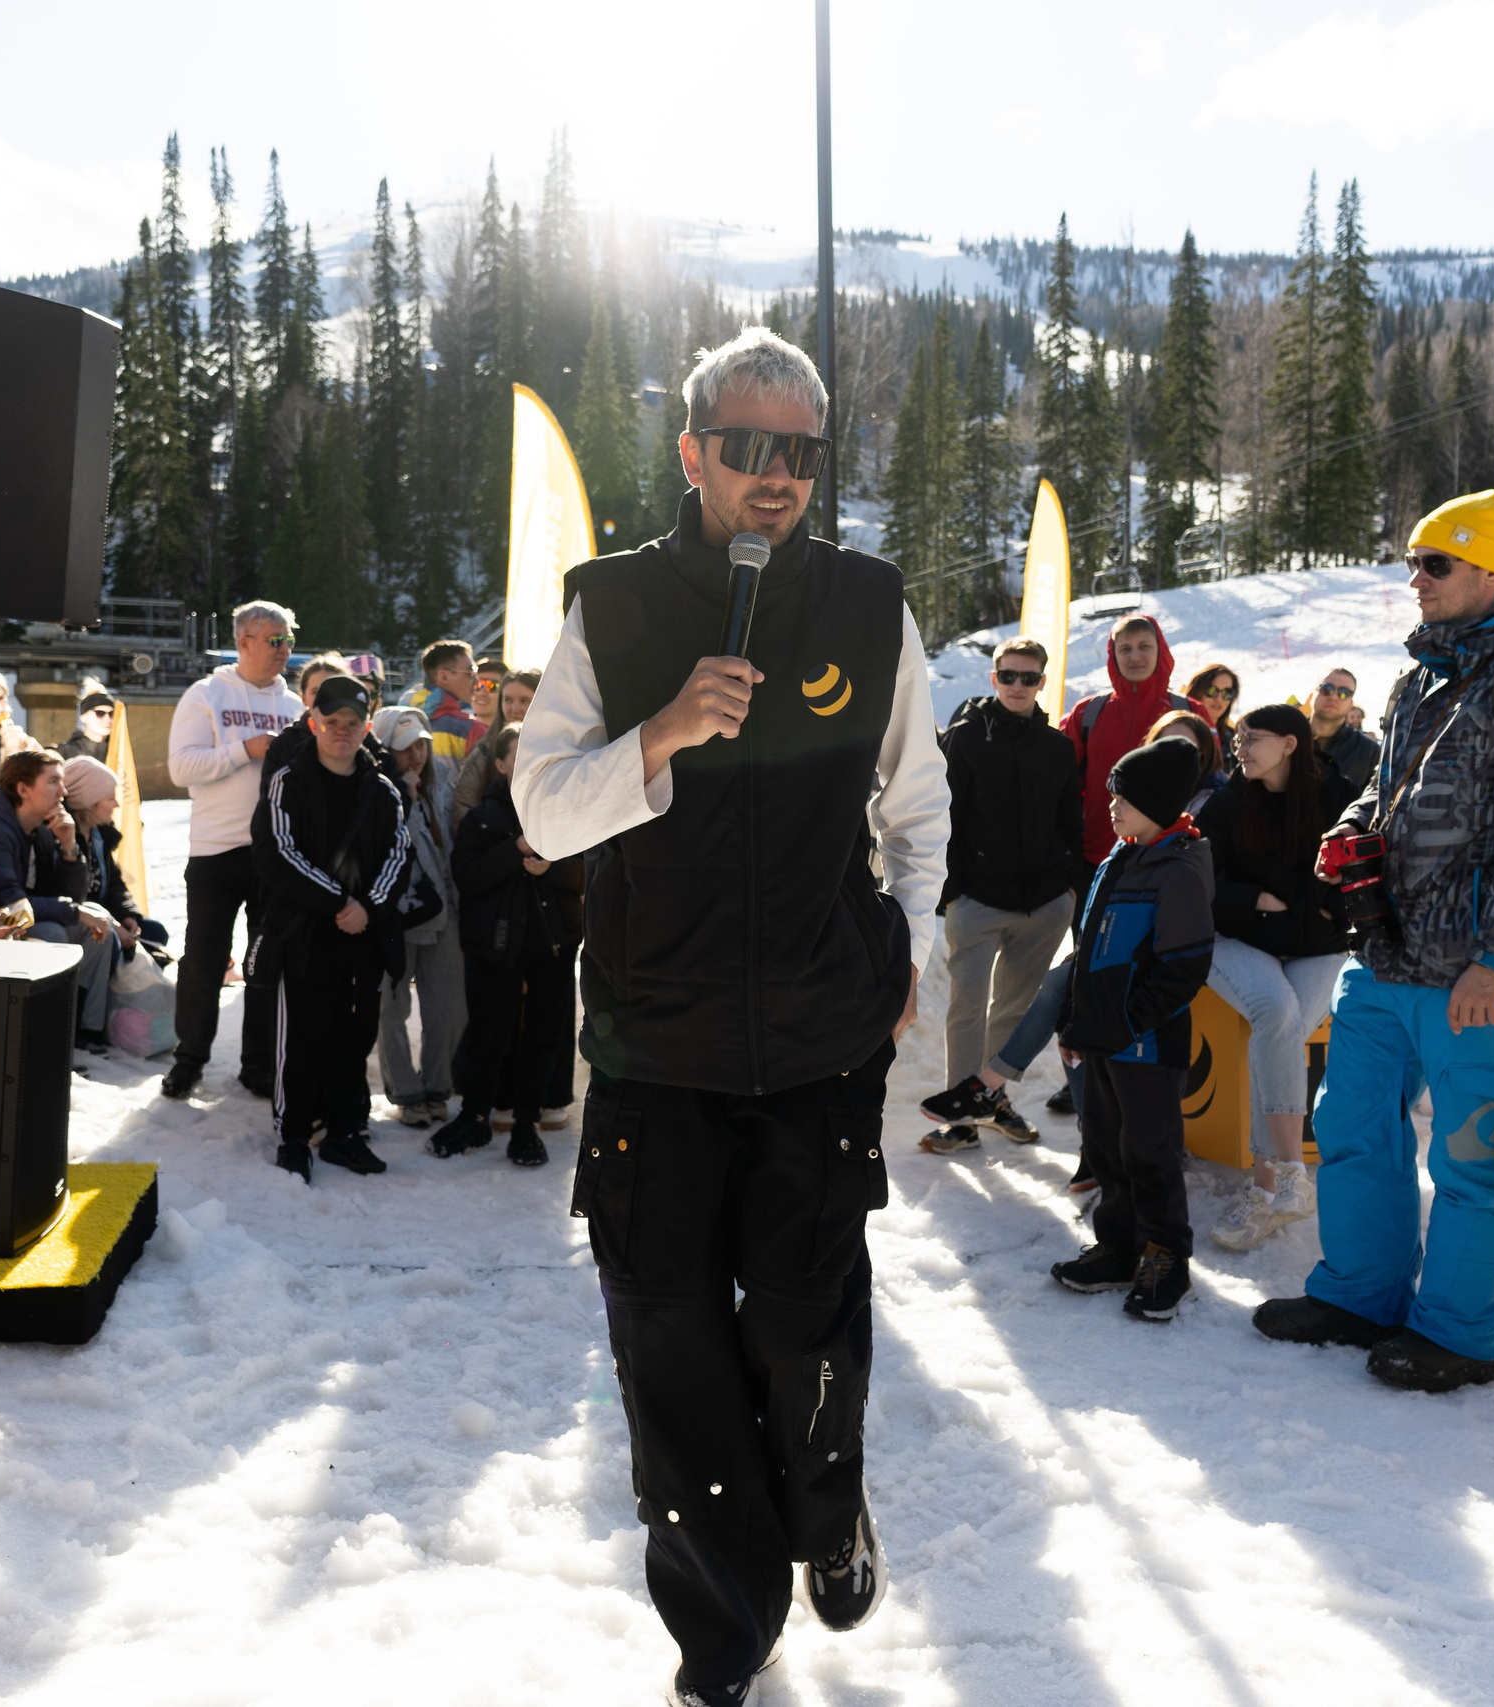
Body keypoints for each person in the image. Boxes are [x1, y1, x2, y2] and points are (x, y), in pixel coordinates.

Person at [515, 325, 946, 1707]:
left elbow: (917, 808)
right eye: (748, 447)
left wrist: (906, 953)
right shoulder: (616, 608)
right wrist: (657, 738)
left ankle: (829, 1511)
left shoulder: (872, 605)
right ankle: (722, 1633)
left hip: (820, 1040)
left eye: (801, 453)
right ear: (691, 451)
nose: (775, 476)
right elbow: (539, 805)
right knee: (671, 1345)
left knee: (807, 1321)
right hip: (655, 1049)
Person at [1254, 488, 1494, 1393]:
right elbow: (1385, 791)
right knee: (1351, 1125)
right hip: (1384, 955)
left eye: (1436, 563)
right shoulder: (1421, 674)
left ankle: (1460, 1333)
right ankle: (1360, 1293)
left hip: (1477, 971)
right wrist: (1351, 833)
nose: (1416, 579)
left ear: (1492, 567)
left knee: (1470, 1151)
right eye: (1411, 562)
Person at [1047, 737, 1216, 1322]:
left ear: (1158, 804)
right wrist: (1078, 1021)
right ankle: (1119, 1247)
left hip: (1146, 1042)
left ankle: (1166, 1258)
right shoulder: (1117, 859)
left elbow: (1183, 968)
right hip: (1104, 1037)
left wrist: (1125, 1022)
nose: (1111, 807)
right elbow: (1089, 951)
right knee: (1105, 1147)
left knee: (1150, 1150)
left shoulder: (1179, 870)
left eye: (1124, 799)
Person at [1198, 704, 1356, 1252]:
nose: (1240, 747)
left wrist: (1329, 912)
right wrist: (1254, 900)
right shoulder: (1230, 799)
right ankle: (1290, 1173)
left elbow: (1359, 865)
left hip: (1319, 943)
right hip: (1239, 938)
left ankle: (1268, 1192)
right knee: (1277, 1012)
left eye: (1253, 738)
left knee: (1282, 1027)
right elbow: (1202, 879)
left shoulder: (1338, 794)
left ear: (1290, 744)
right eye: (1237, 737)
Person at [250, 675, 418, 1182]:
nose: (341, 732)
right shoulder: (289, 780)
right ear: (312, 723)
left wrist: (366, 907)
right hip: (305, 934)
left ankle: (346, 1132)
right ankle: (295, 1136)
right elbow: (277, 852)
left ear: (367, 728)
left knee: (354, 1037)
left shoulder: (382, 790)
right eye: (331, 722)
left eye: (352, 723)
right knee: (302, 1040)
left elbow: (399, 855)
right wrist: (339, 902)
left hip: (364, 935)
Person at [919, 637, 1083, 1154]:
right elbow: (944, 818)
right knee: (966, 1007)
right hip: (979, 901)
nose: (1017, 685)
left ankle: (990, 1098)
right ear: (993, 679)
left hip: (1043, 904)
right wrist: (955, 892)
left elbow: (1070, 823)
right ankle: (959, 1117)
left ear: (1042, 682)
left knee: (1013, 1008)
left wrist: (1069, 886)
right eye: (1008, 676)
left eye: (1028, 677)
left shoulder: (1056, 745)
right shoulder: (966, 739)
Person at [161, 600, 304, 1101]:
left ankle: (259, 1063)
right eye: (276, 640)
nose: (286, 650)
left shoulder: (295, 707)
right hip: (216, 851)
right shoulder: (206, 695)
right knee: (203, 958)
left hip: (275, 854)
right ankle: (189, 1059)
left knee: (265, 961)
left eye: (289, 640)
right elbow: (182, 769)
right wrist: (246, 749)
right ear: (244, 642)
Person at [432, 725, 581, 1166]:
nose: (531, 760)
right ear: (500, 765)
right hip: (493, 949)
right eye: (520, 753)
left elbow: (583, 877)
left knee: (542, 1038)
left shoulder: (563, 811)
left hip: (550, 947)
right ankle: (476, 1116)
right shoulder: (481, 818)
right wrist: (514, 849)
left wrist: (550, 866)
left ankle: (526, 1126)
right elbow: (468, 879)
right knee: (487, 1036)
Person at [371, 706, 466, 1128]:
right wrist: (404, 804)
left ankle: (437, 1087)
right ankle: (405, 1092)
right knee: (391, 1009)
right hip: (394, 916)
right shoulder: (373, 791)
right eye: (406, 748)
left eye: (421, 746)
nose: (416, 756)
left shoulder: (441, 783)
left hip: (441, 911)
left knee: (449, 1007)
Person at [0, 749, 120, 1046]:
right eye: (53, 782)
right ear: (23, 789)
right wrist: (72, 912)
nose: (64, 790)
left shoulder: (44, 824)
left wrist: (70, 847)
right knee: (52, 932)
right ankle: (45, 1038)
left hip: (19, 915)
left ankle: (84, 1031)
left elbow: (72, 896)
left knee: (98, 926)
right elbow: (8, 906)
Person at [1066, 613, 1201, 864]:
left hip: (1166, 857)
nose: (1135, 657)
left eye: (1144, 647)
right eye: (1125, 649)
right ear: (1113, 655)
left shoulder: (1190, 713)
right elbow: (1064, 781)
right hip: (1095, 857)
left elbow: (1209, 786)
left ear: (1160, 651)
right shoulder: (1088, 712)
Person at [61, 755, 166, 955]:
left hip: (105, 917)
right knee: (115, 945)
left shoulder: (99, 835)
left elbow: (115, 884)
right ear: (89, 803)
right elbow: (73, 898)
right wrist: (113, 925)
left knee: (156, 933)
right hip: (85, 922)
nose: (117, 804)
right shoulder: (63, 838)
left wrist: (127, 915)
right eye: (110, 798)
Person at [451, 670, 545, 831]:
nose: (515, 709)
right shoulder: (484, 751)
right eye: (508, 700)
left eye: (525, 701)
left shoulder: (560, 747)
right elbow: (463, 809)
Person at [406, 639, 485, 761]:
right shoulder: (473, 730)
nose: (476, 680)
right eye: (470, 672)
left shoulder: (400, 720)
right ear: (443, 677)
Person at [1306, 667, 1379, 790]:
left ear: (1351, 703)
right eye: (1326, 689)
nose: (1334, 697)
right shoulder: (1285, 740)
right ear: (1312, 695)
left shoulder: (1369, 751)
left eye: (1344, 693)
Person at [1184, 662, 1242, 756]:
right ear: (1197, 691)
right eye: (1212, 691)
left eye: (1227, 693)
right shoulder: (1178, 730)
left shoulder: (1235, 739)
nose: (1219, 699)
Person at [60, 681, 118, 763]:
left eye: (112, 714)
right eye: (100, 713)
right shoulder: (64, 752)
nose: (107, 718)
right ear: (83, 716)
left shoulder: (119, 753)